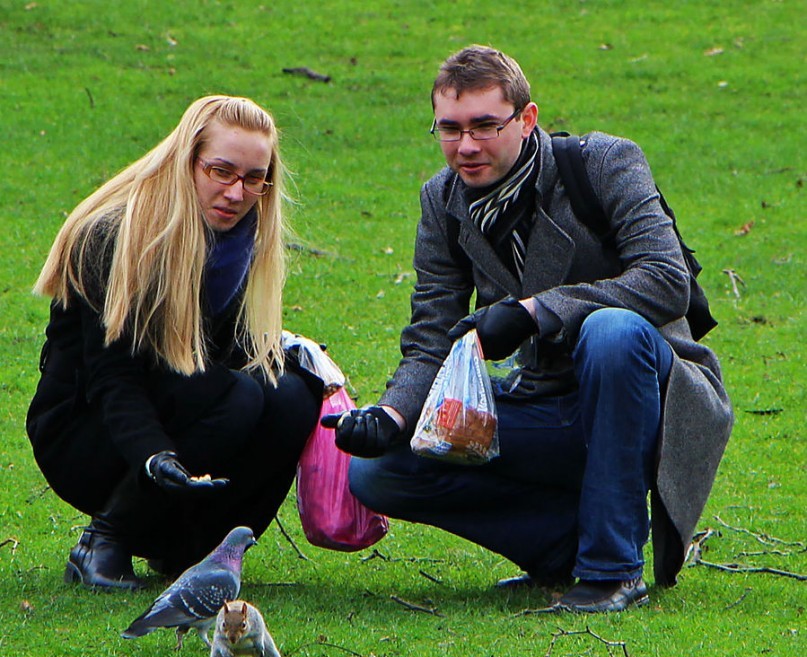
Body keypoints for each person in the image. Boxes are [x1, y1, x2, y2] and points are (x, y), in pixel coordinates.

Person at [322, 45, 733, 612]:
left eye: (485, 126)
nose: (466, 147)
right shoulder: (442, 201)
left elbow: (666, 280)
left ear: (527, 118)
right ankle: (565, 550)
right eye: (450, 129)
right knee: (378, 472)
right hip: (545, 406)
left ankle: (612, 571)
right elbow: (433, 330)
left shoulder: (604, 163)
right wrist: (390, 415)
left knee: (610, 332)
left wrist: (537, 310)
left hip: (649, 401)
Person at [27, 95, 322, 590]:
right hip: (87, 427)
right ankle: (106, 539)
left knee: (294, 393)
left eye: (254, 179)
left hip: (177, 405)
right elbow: (112, 377)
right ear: (187, 161)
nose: (237, 192)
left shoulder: (244, 237)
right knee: (239, 395)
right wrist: (154, 455)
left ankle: (194, 551)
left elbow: (223, 355)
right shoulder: (113, 234)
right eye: (221, 172)